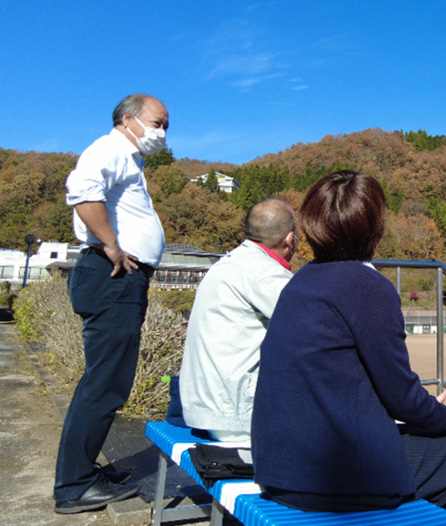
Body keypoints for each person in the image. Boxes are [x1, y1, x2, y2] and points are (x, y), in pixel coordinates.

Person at [251, 170, 446, 524]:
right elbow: (399, 393)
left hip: (276, 469)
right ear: (375, 227)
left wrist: (428, 412)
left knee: (422, 439)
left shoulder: (300, 281)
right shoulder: (368, 287)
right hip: (331, 480)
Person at [55, 94, 168, 514]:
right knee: (104, 384)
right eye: (157, 122)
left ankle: (83, 472)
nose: (162, 132)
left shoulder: (129, 160)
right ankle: (74, 485)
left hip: (119, 280)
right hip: (113, 278)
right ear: (128, 119)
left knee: (106, 381)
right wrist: (112, 246)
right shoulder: (111, 149)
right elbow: (82, 192)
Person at [179, 198, 297, 442]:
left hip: (202, 404)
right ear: (289, 239)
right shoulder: (265, 274)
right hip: (235, 415)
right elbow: (313, 325)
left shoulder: (228, 264)